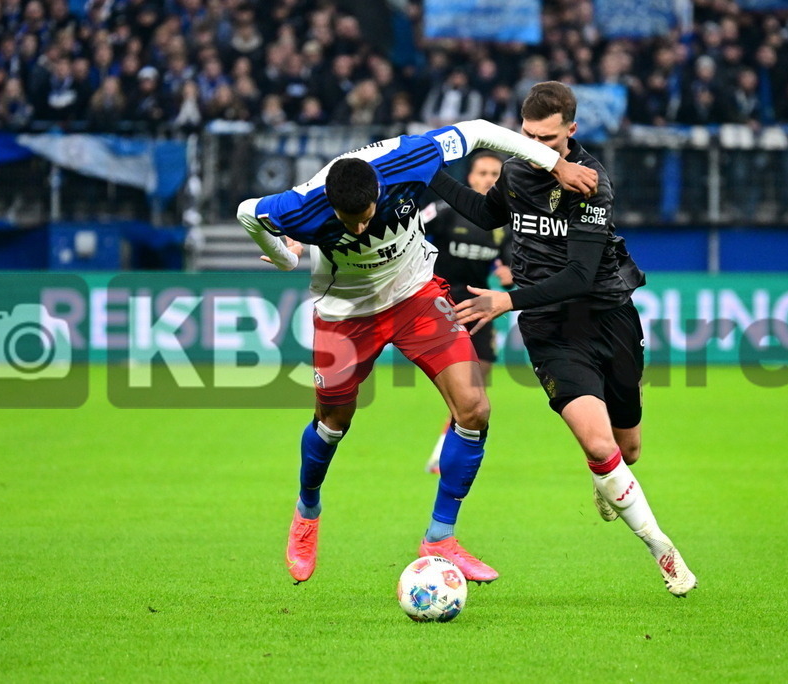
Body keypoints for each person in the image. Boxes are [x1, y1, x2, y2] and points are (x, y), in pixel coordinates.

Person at [236, 118, 597, 584]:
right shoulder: (301, 207)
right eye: (353, 223)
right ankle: (307, 510)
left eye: (367, 214)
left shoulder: (408, 157)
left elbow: (481, 129)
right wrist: (287, 257)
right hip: (346, 314)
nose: (364, 225)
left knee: (474, 407)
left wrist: (553, 163)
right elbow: (249, 212)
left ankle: (441, 537)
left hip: (415, 295)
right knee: (332, 425)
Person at [428, 82, 698, 597]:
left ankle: (611, 481)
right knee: (598, 445)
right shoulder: (515, 170)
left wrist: (505, 300)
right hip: (549, 329)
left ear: (571, 131)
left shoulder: (591, 184)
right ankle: (662, 549)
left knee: (628, 449)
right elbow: (487, 215)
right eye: (526, 136)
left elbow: (579, 274)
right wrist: (432, 174)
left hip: (607, 318)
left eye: (547, 139)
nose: (534, 148)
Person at [422, 150, 513, 474]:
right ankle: (444, 451)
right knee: (462, 386)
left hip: (479, 305)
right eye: (483, 173)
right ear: (470, 177)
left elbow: (512, 263)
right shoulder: (447, 210)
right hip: (441, 302)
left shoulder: (504, 223)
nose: (489, 179)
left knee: (478, 384)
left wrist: (510, 275)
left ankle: (445, 447)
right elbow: (413, 230)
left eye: (494, 174)